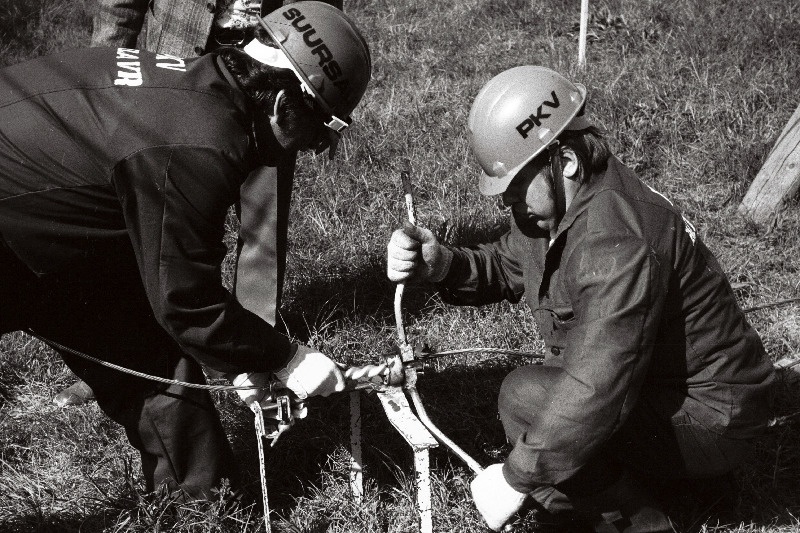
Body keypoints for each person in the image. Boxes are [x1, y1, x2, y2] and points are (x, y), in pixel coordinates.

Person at [0, 1, 371, 500]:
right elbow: (186, 301)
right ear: (284, 101)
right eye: (324, 128)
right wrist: (289, 357)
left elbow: (172, 275)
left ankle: (204, 505)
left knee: (141, 342)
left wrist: (238, 357)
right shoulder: (201, 142)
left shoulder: (203, 87)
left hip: (49, 213)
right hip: (14, 224)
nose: (320, 147)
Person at [386, 66, 776, 532]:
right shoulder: (564, 203)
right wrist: (443, 264)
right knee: (545, 394)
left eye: (514, 189)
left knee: (528, 398)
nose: (509, 204)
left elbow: (600, 382)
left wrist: (515, 478)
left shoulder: (615, 236)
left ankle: (640, 523)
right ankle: (672, 487)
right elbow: (513, 264)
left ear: (564, 160)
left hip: (712, 416)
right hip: (668, 392)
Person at [53, 0, 343, 407]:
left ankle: (252, 357)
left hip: (283, 61)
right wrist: (104, 66)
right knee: (140, 219)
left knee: (263, 219)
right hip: (179, 51)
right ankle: (126, 355)